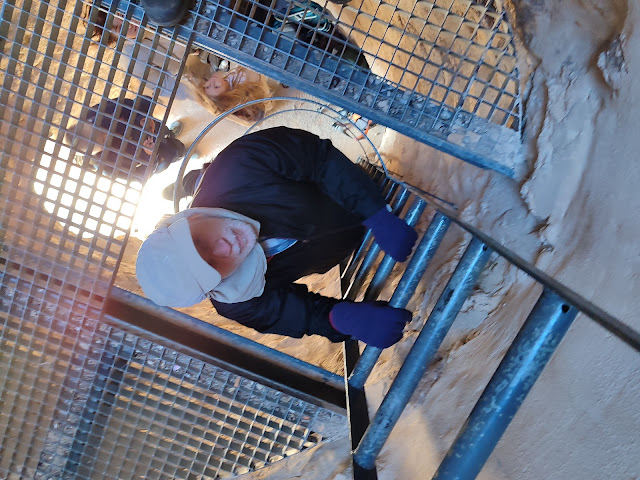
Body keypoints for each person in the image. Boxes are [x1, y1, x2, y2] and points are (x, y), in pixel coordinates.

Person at [136, 127, 418, 349]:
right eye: (212, 266)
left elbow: (318, 159)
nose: (223, 247)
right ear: (216, 286)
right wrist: (343, 319)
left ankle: (192, 181)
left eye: (200, 242)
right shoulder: (236, 298)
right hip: (338, 246)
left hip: (350, 196)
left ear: (189, 219)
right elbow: (297, 314)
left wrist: (374, 212)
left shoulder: (239, 166)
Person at [63, 95, 185, 179]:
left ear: (88, 122)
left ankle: (170, 133)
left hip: (147, 128)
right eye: (103, 140)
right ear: (95, 152)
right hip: (151, 153)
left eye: (100, 128)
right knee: (174, 150)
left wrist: (140, 118)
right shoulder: (105, 165)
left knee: (163, 131)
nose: (107, 133)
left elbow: (125, 103)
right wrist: (149, 155)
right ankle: (181, 152)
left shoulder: (93, 114)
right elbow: (140, 175)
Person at [183, 54, 275, 124]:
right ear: (228, 94)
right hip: (257, 84)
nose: (212, 81)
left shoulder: (226, 84)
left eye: (207, 86)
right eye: (216, 86)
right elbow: (252, 61)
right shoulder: (248, 84)